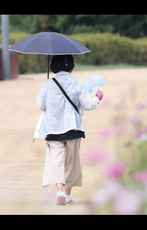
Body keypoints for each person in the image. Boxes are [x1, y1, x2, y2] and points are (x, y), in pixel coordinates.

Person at [33, 55, 103, 205]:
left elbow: (42, 106)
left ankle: (59, 192)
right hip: (73, 128)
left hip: (53, 129)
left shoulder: (47, 84)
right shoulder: (79, 83)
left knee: (56, 161)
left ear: (53, 66)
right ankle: (68, 194)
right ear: (71, 66)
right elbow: (88, 104)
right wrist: (97, 98)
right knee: (71, 162)